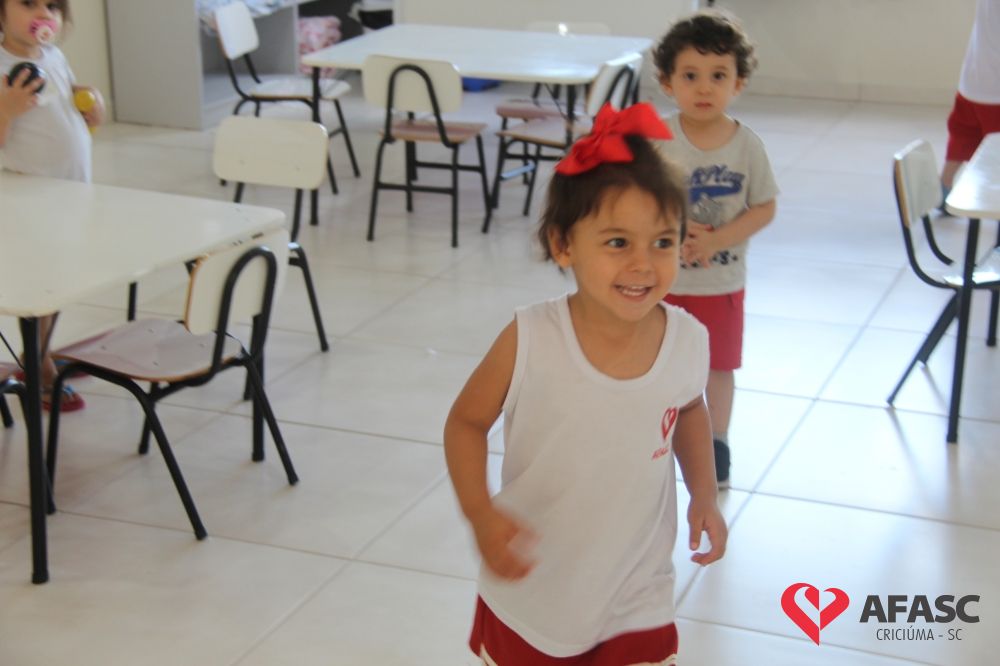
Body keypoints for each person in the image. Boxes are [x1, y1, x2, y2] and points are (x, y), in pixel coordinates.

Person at [444, 102, 727, 665]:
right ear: (563, 245)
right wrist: (481, 513)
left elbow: (690, 410)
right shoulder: (531, 337)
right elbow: (466, 423)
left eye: (662, 242)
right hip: (536, 586)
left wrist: (704, 492)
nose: (643, 264)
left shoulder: (687, 339)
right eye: (618, 243)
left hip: (638, 589)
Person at [652, 10, 778, 487]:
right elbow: (639, 201)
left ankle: (716, 442)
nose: (704, 88)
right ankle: (656, 437)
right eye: (690, 76)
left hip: (721, 283)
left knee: (719, 367)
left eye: (718, 76)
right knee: (659, 362)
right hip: (663, 283)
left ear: (738, 83)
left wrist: (718, 239)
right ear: (667, 82)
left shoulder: (748, 146)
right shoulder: (657, 140)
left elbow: (764, 207)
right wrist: (670, 232)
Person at [0, 0, 105, 410]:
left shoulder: (53, 55)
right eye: (29, 4)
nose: (44, 14)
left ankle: (39, 349)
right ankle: (38, 365)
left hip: (69, 192)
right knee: (40, 283)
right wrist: (6, 109)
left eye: (53, 6)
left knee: (61, 279)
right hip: (31, 203)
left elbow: (68, 108)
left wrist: (88, 105)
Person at [941, 0, 1000, 198]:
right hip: (995, 91)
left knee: (962, 136)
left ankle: (943, 188)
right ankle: (989, 200)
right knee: (994, 153)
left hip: (973, 81)